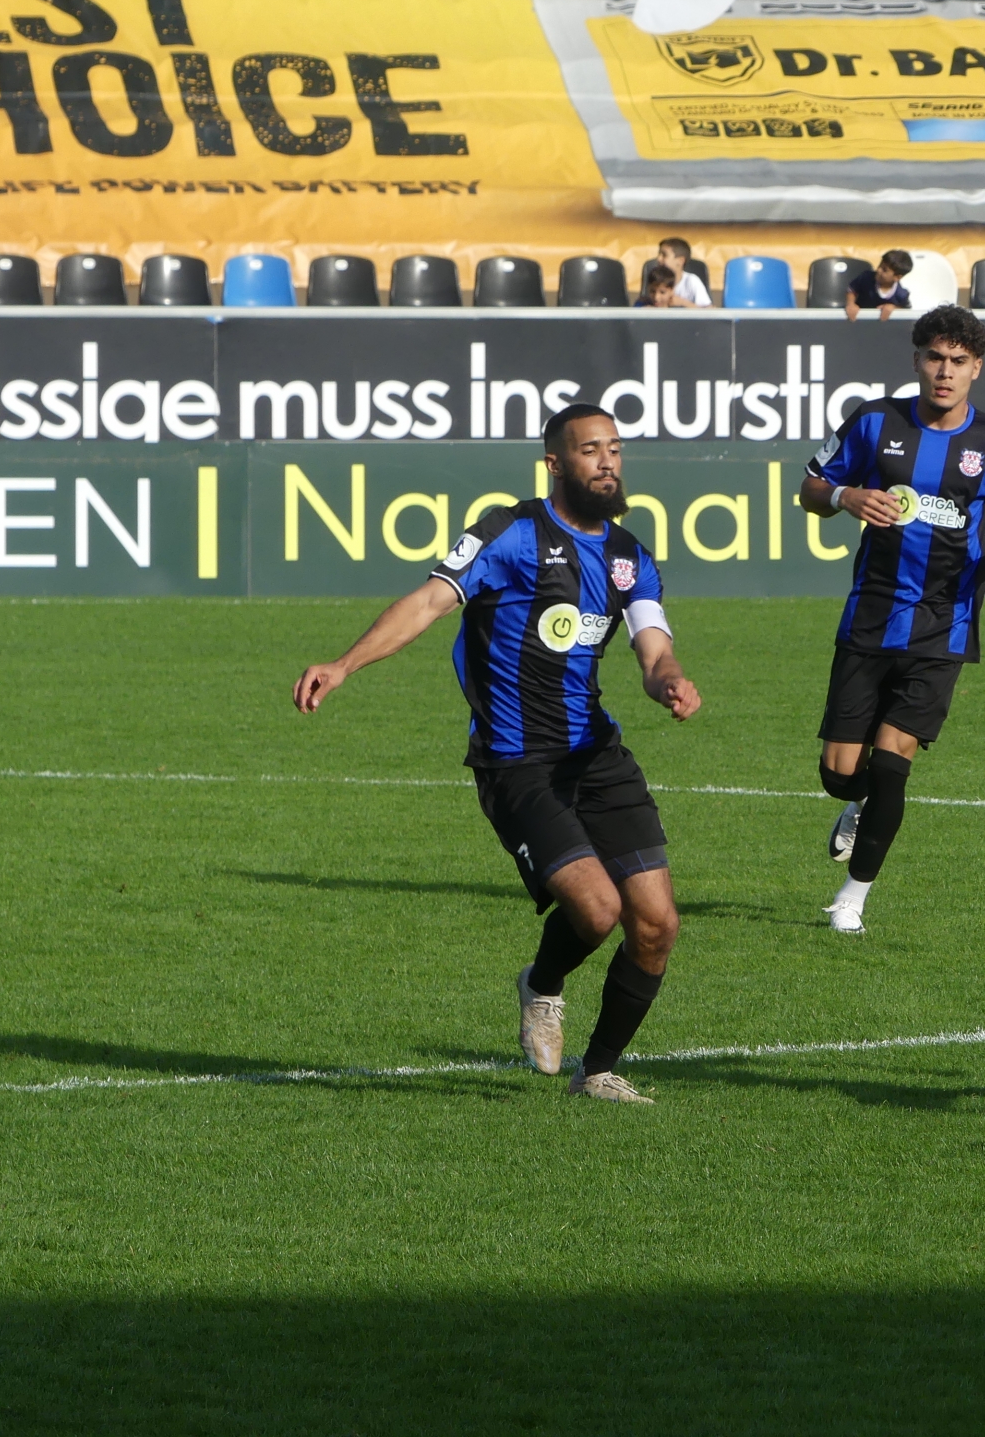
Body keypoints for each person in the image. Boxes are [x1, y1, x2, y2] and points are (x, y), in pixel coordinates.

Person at [292, 405, 701, 1105]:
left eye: (614, 448)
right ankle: (542, 987)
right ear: (555, 464)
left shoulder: (629, 555)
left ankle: (597, 1072)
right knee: (596, 911)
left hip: (596, 754)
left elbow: (652, 644)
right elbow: (429, 601)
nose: (607, 460)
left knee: (658, 925)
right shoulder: (509, 533)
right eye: (590, 450)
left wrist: (668, 680)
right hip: (517, 762)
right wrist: (344, 663)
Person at [799, 305, 985, 935]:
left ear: (976, 368)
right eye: (935, 357)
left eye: (958, 361)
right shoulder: (874, 421)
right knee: (838, 775)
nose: (945, 371)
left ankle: (851, 899)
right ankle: (855, 805)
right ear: (917, 360)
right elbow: (811, 488)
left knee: (893, 761)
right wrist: (846, 495)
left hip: (945, 624)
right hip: (870, 617)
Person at [844, 250, 913, 320]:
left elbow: (906, 309)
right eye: (880, 265)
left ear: (897, 277)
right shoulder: (866, 278)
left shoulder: (901, 294)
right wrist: (851, 304)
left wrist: (894, 308)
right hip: (859, 320)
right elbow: (852, 290)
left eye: (884, 270)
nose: (879, 270)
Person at [655, 237, 711, 307]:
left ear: (680, 261)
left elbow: (708, 309)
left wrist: (683, 303)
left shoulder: (692, 281)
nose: (659, 259)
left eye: (664, 255)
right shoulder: (654, 279)